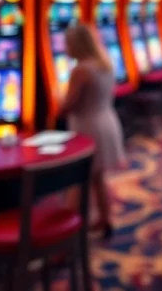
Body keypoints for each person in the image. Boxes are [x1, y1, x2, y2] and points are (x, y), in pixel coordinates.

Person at [58, 24, 126, 239]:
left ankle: (67, 233)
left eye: (67, 44)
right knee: (98, 178)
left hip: (88, 127)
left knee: (77, 181)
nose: (65, 48)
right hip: (106, 121)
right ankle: (105, 220)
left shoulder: (80, 70)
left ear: (77, 45)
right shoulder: (105, 63)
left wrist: (58, 102)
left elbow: (69, 105)